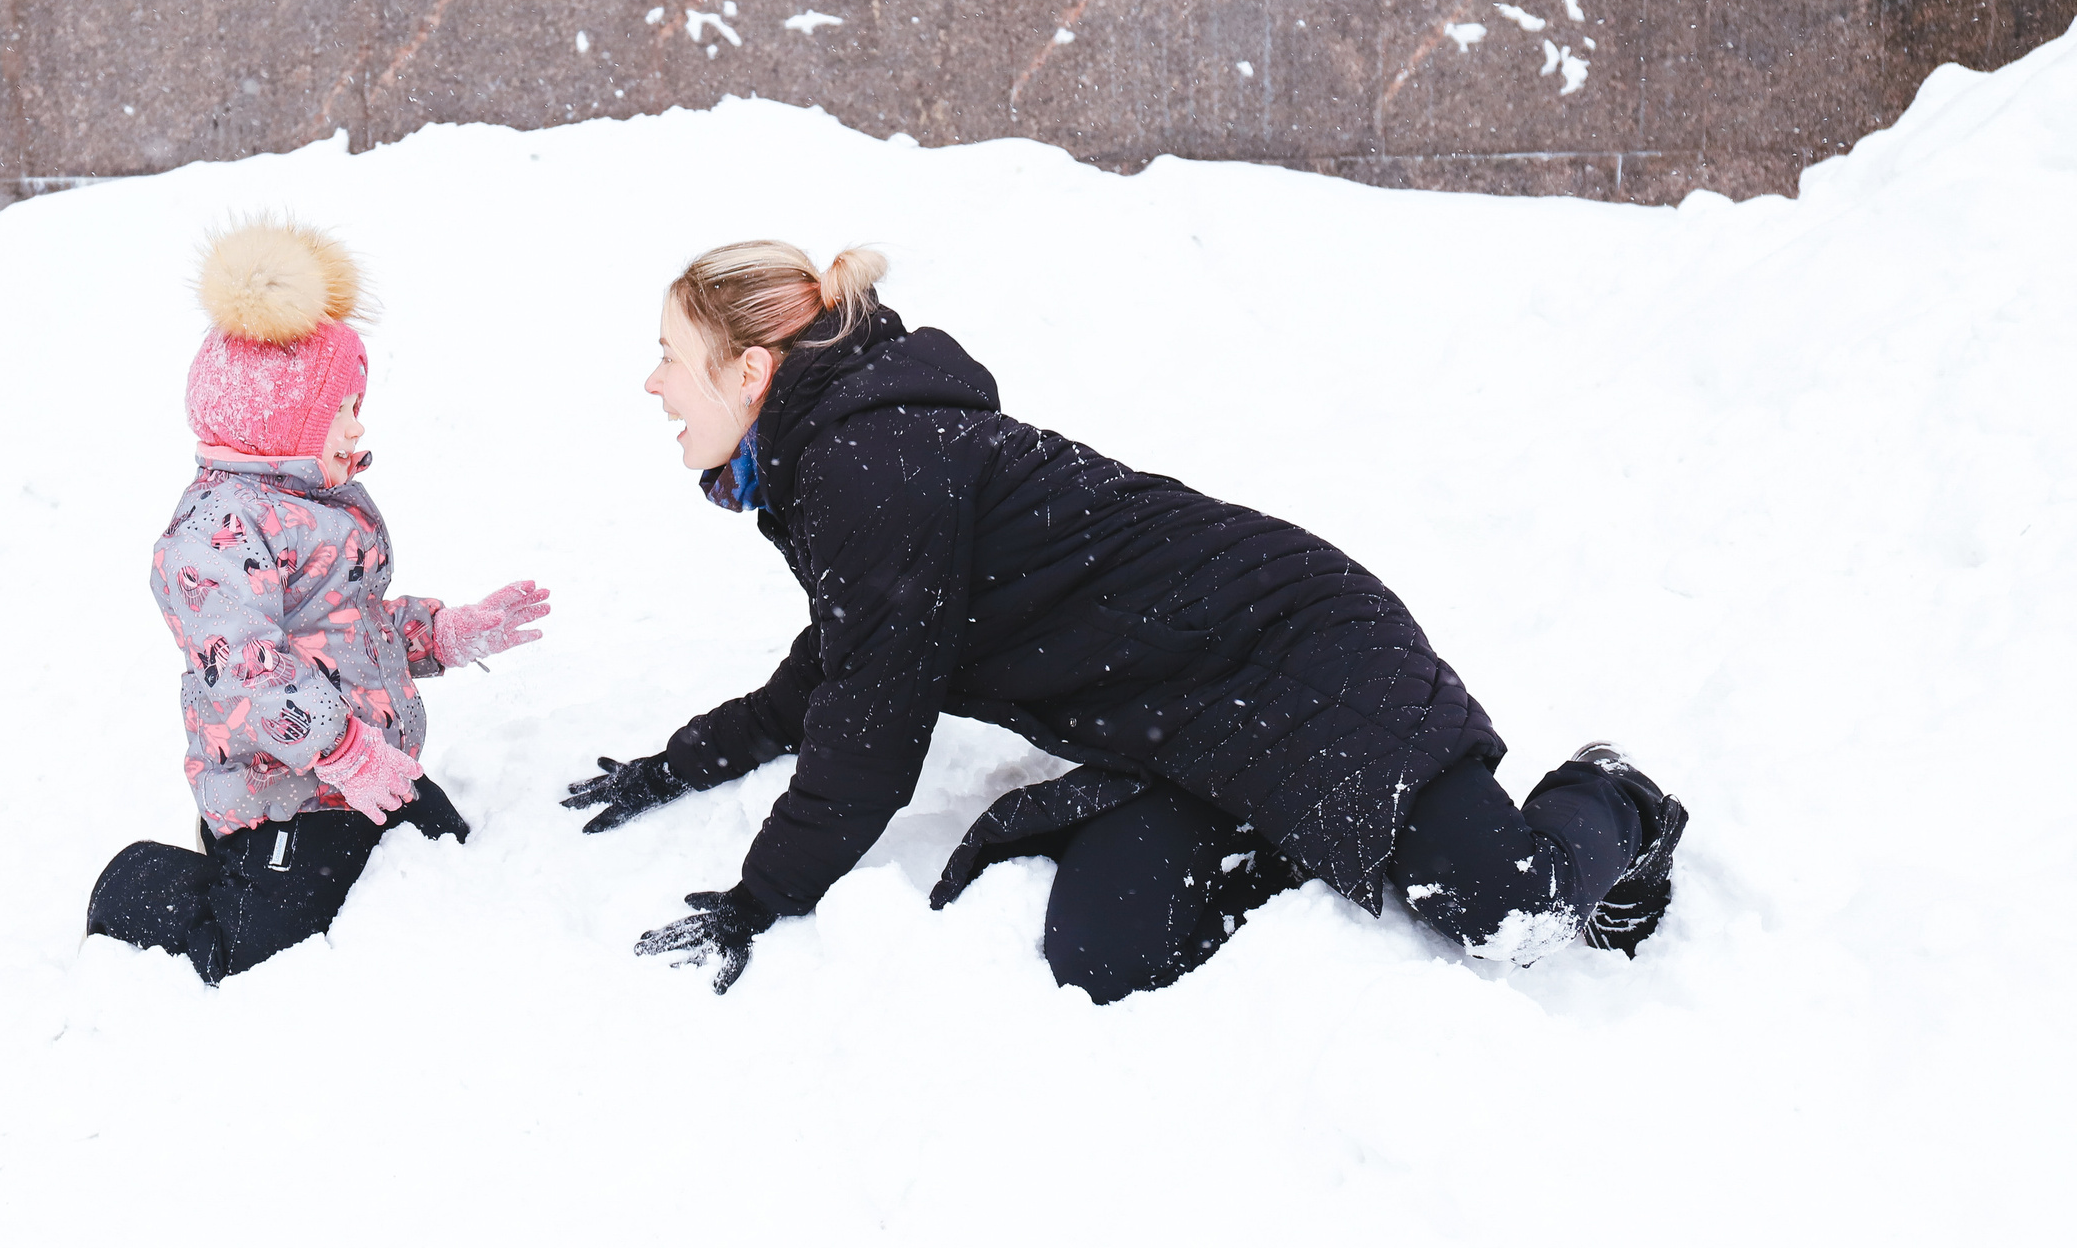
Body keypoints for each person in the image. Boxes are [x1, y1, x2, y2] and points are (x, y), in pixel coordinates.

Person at [564, 241, 1685, 1001]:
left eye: (670, 355)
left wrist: (760, 902)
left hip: (1289, 651)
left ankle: (1609, 791)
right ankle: (1290, 826)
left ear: (751, 370)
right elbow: (848, 662)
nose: (653, 384)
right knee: (1108, 953)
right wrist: (681, 764)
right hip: (1174, 720)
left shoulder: (871, 467)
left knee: (1507, 912)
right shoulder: (844, 458)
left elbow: (868, 729)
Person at [89, 221, 549, 982]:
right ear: (285, 417)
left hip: (360, 767)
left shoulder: (320, 506)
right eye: (344, 407)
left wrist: (446, 633)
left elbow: (354, 631)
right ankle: (142, 883)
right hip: (285, 790)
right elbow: (246, 673)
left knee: (445, 851)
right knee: (259, 946)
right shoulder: (218, 533)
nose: (358, 424)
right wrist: (344, 750)